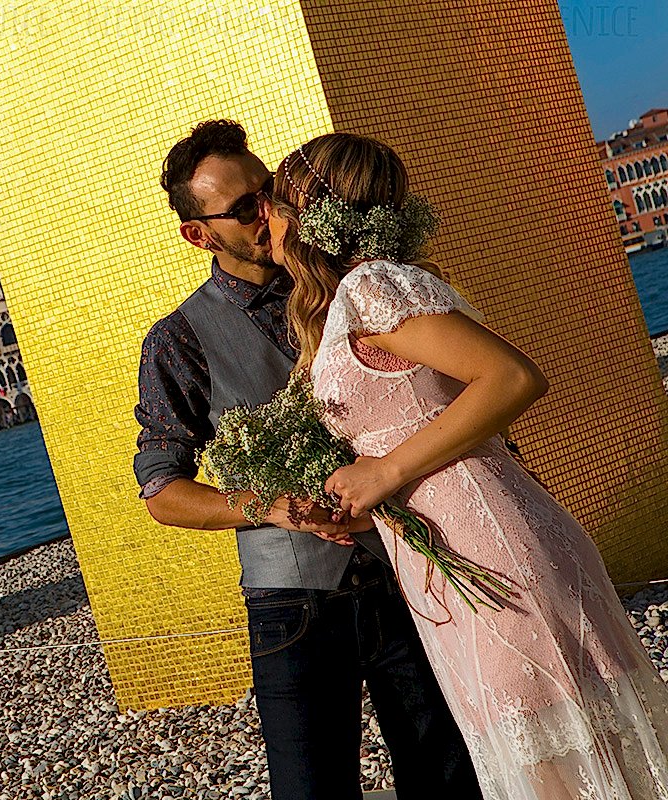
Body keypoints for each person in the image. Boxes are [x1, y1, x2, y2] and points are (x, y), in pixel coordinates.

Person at [267, 131, 668, 799]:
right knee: (537, 755)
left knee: (553, 757)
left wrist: (383, 474)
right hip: (441, 561)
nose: (265, 222)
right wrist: (344, 491)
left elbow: (511, 377)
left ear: (309, 211)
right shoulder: (342, 306)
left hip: (492, 550)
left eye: (275, 202)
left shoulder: (373, 288)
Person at [134, 120, 483, 799]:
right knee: (311, 789)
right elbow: (161, 492)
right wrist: (268, 508)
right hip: (292, 602)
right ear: (197, 234)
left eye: (266, 191)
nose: (265, 211)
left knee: (449, 772)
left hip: (403, 564)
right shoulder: (178, 341)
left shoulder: (345, 285)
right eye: (240, 208)